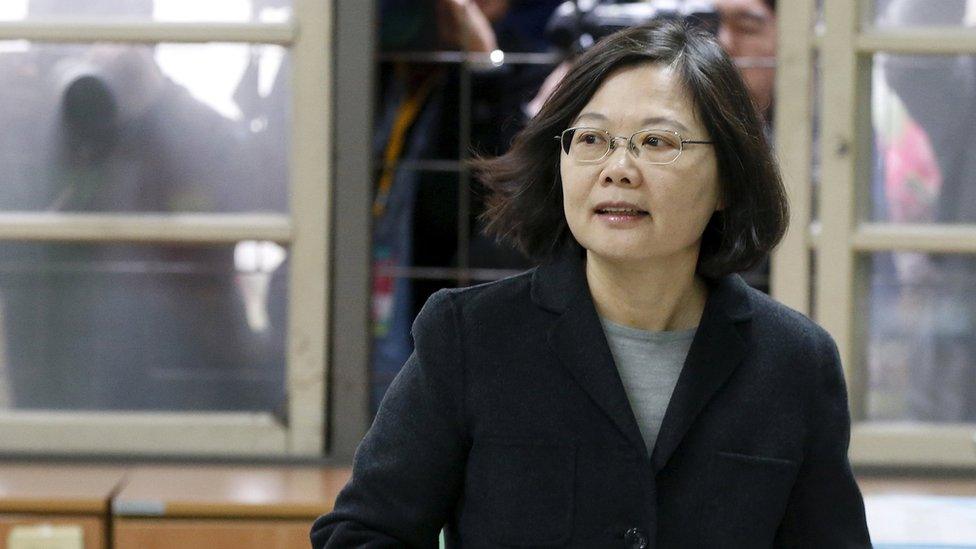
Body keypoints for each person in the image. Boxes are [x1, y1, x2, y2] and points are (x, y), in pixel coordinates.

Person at [311, 21, 870, 547]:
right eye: (592, 140)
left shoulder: (796, 363)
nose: (618, 168)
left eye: (656, 142)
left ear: (727, 178)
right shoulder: (471, 338)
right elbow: (360, 534)